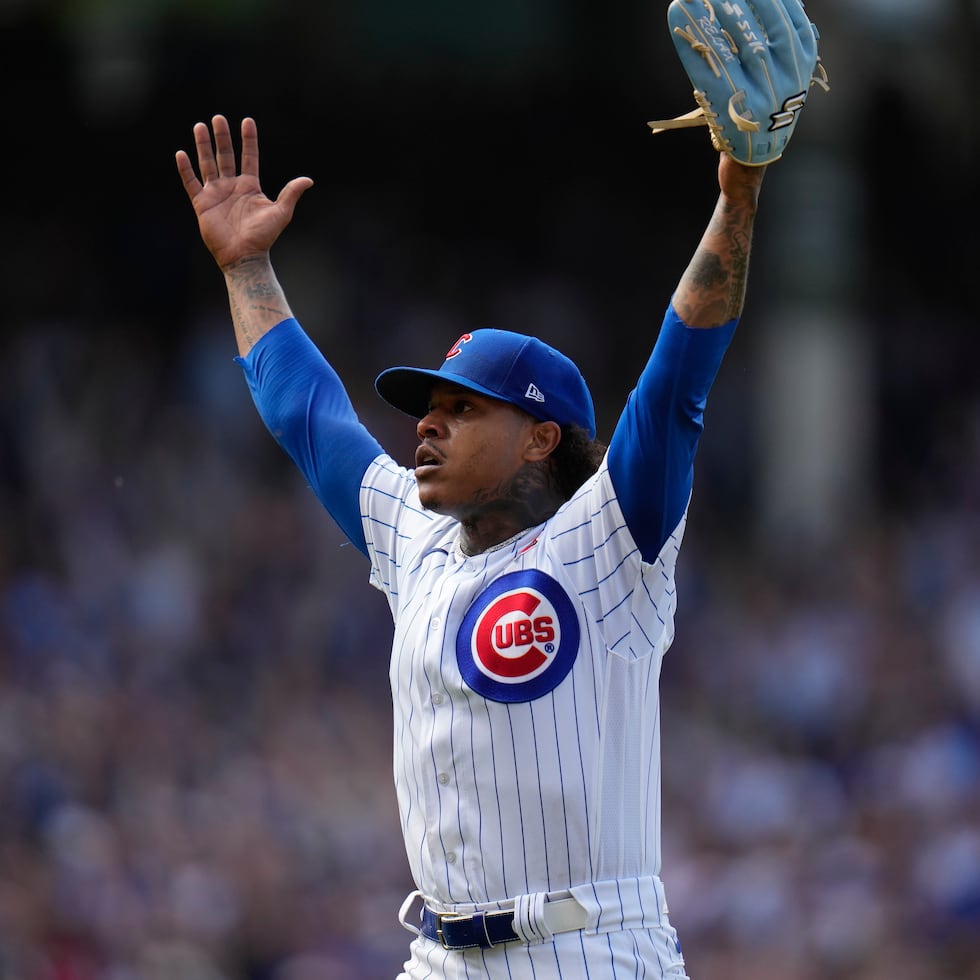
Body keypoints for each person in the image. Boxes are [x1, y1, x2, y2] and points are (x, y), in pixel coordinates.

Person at [176, 113, 766, 979]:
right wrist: (247, 266)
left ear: (540, 438)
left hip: (591, 947)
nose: (428, 425)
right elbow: (308, 415)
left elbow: (678, 380)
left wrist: (738, 198)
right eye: (429, 407)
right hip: (440, 955)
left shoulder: (607, 539)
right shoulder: (416, 540)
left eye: (464, 410)